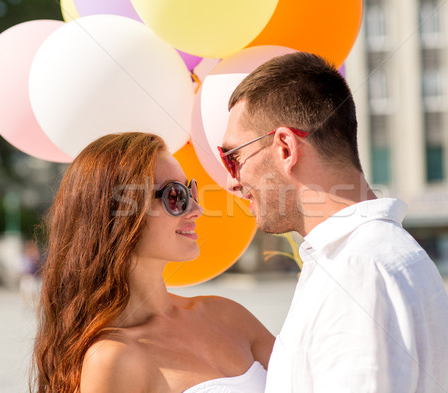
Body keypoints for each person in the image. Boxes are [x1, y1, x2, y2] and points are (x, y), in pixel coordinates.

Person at [220, 52, 448, 392]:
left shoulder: (358, 270)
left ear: (285, 148)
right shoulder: (371, 255)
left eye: (233, 158)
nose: (231, 181)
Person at [32, 132, 274, 393]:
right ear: (118, 213)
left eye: (191, 191)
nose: (196, 209)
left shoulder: (229, 316)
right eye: (175, 196)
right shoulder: (113, 359)